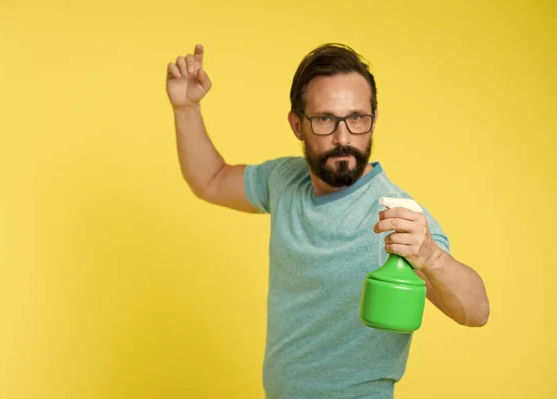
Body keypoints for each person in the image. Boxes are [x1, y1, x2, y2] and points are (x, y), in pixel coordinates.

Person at [166, 43, 490, 399]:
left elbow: (476, 311)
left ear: (373, 119)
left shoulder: (396, 215)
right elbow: (210, 180)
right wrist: (186, 107)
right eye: (324, 119)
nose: (343, 137)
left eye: (356, 118)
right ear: (297, 125)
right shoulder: (284, 181)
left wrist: (430, 256)